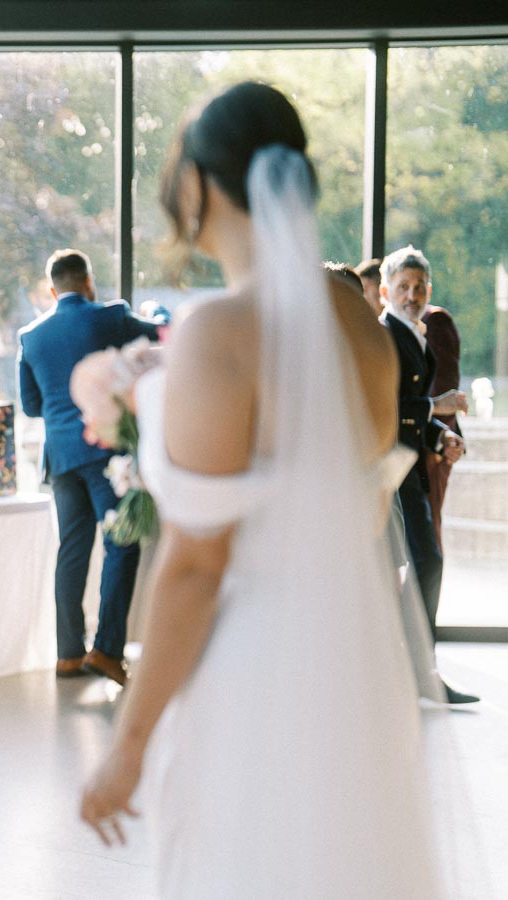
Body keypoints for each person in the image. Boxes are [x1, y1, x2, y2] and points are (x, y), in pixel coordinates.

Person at [79, 82, 444, 897]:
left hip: (250, 671)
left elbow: (198, 565)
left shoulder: (221, 331)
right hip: (350, 672)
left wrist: (128, 744)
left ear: (202, 185)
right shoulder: (358, 324)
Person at [17, 249, 159, 686]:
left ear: (53, 287)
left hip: (60, 458)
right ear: (89, 281)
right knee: (122, 543)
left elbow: (31, 405)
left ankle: (67, 654)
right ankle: (108, 650)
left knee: (73, 550)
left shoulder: (30, 336)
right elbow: (160, 337)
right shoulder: (110, 317)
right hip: (104, 451)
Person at [379, 245, 476, 704]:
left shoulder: (415, 335)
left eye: (419, 288)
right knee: (413, 564)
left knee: (423, 563)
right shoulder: (382, 338)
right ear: (385, 291)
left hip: (408, 470)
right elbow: (384, 409)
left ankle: (414, 665)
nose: (413, 295)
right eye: (403, 287)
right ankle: (411, 667)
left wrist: (439, 437)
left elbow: (409, 413)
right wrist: (436, 408)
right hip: (385, 474)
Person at [422, 299, 464, 550]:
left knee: (426, 542)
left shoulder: (435, 322)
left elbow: (445, 388)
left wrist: (441, 439)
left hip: (429, 449)